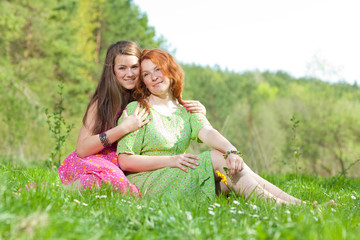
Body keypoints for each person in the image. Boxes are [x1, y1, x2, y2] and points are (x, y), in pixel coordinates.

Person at [116, 48, 307, 205]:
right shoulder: (138, 109)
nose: (154, 77)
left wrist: (231, 151)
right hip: (148, 183)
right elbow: (125, 161)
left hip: (179, 176)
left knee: (231, 175)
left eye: (158, 69)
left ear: (171, 71)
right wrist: (171, 160)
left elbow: (206, 132)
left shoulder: (186, 109)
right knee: (217, 158)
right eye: (147, 74)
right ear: (143, 81)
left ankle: (298, 204)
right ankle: (282, 206)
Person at [58, 41, 206, 194]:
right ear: (113, 71)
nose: (129, 74)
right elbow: (82, 149)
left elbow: (172, 108)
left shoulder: (150, 96)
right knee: (108, 182)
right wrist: (123, 129)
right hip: (99, 160)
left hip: (134, 164)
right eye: (122, 68)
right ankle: (59, 192)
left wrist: (199, 111)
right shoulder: (102, 102)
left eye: (134, 67)